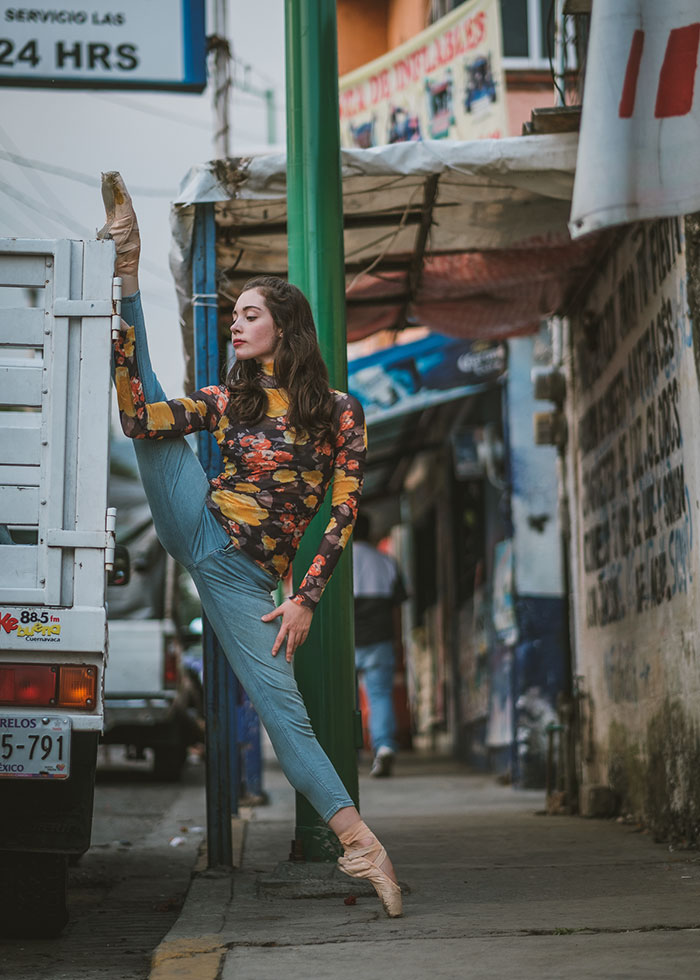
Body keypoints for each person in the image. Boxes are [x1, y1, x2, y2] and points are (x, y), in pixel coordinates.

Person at [101, 172, 401, 918]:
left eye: (248, 315)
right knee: (147, 419)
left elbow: (342, 511)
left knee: (283, 714)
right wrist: (127, 308)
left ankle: (361, 845)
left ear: (283, 326)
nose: (235, 326)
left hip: (245, 583)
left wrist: (303, 598)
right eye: (233, 315)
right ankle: (128, 270)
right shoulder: (227, 399)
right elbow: (141, 419)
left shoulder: (339, 413)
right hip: (199, 522)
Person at [353, 514, 407, 777]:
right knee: (380, 695)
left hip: (347, 642)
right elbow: (396, 608)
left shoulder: (336, 561)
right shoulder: (386, 562)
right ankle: (384, 747)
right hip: (380, 639)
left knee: (345, 699)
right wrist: (397, 642)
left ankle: (347, 750)